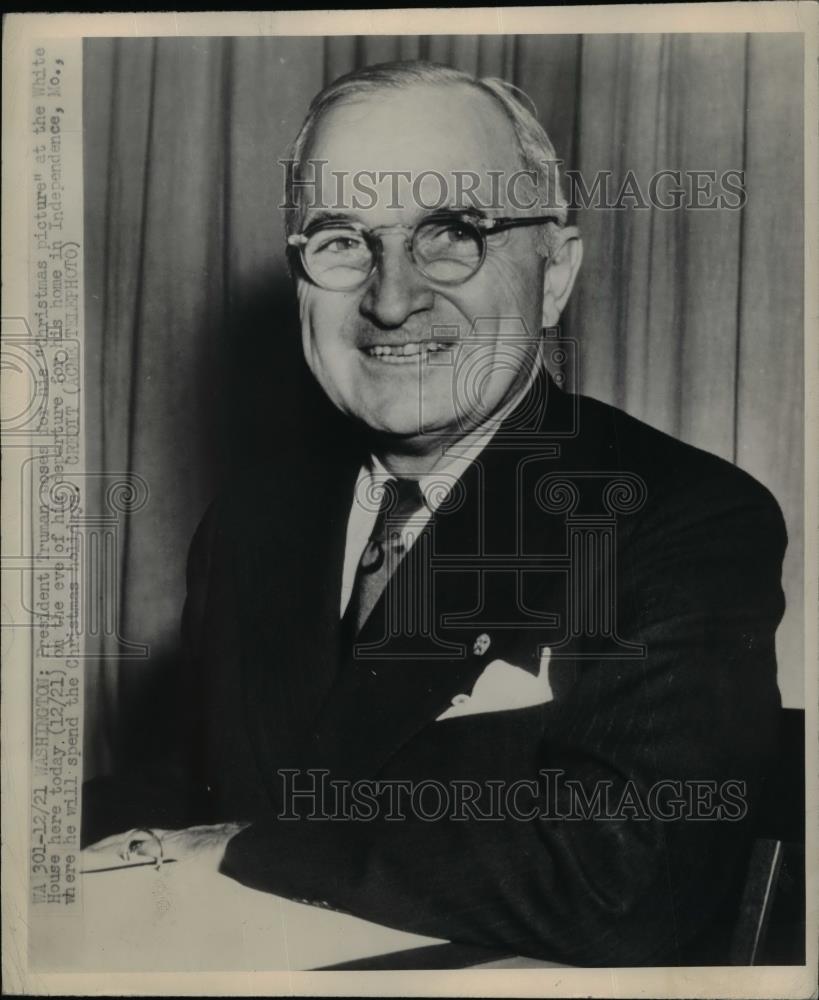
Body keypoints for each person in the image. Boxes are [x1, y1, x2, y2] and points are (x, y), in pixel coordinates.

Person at [83, 61, 787, 966]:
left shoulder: (677, 517)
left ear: (554, 274)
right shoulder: (252, 521)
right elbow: (202, 789)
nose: (390, 299)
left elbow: (630, 876)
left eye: (451, 234)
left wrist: (244, 850)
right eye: (343, 240)